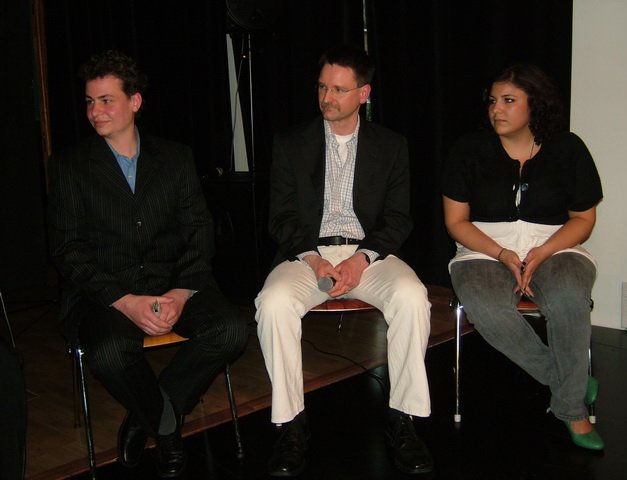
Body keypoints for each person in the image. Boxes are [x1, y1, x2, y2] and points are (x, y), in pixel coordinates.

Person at [48, 50, 248, 477]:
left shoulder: (175, 158)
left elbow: (200, 231)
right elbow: (68, 250)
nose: (95, 111)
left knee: (231, 329)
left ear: (135, 101)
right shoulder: (70, 167)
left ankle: (148, 416)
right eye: (90, 102)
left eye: (107, 100)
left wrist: (180, 293)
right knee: (109, 352)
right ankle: (166, 426)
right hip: (106, 291)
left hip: (172, 280)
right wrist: (124, 301)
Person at [255, 44, 433, 476]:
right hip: (307, 254)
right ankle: (291, 423)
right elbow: (280, 217)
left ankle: (403, 418)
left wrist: (362, 258)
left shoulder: (390, 145)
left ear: (364, 93)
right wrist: (314, 260)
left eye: (338, 89)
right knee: (273, 304)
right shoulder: (291, 143)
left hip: (368, 254)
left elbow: (398, 219)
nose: (327, 97)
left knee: (412, 297)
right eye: (322, 87)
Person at [442, 64, 604, 450]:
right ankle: (570, 384)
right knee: (486, 306)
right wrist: (501, 253)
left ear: (536, 105)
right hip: (483, 249)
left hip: (556, 245)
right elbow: (456, 222)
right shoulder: (468, 150)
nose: (496, 109)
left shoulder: (568, 148)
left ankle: (571, 410)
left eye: (509, 100)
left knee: (568, 297)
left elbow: (584, 219)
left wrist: (544, 252)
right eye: (493, 101)